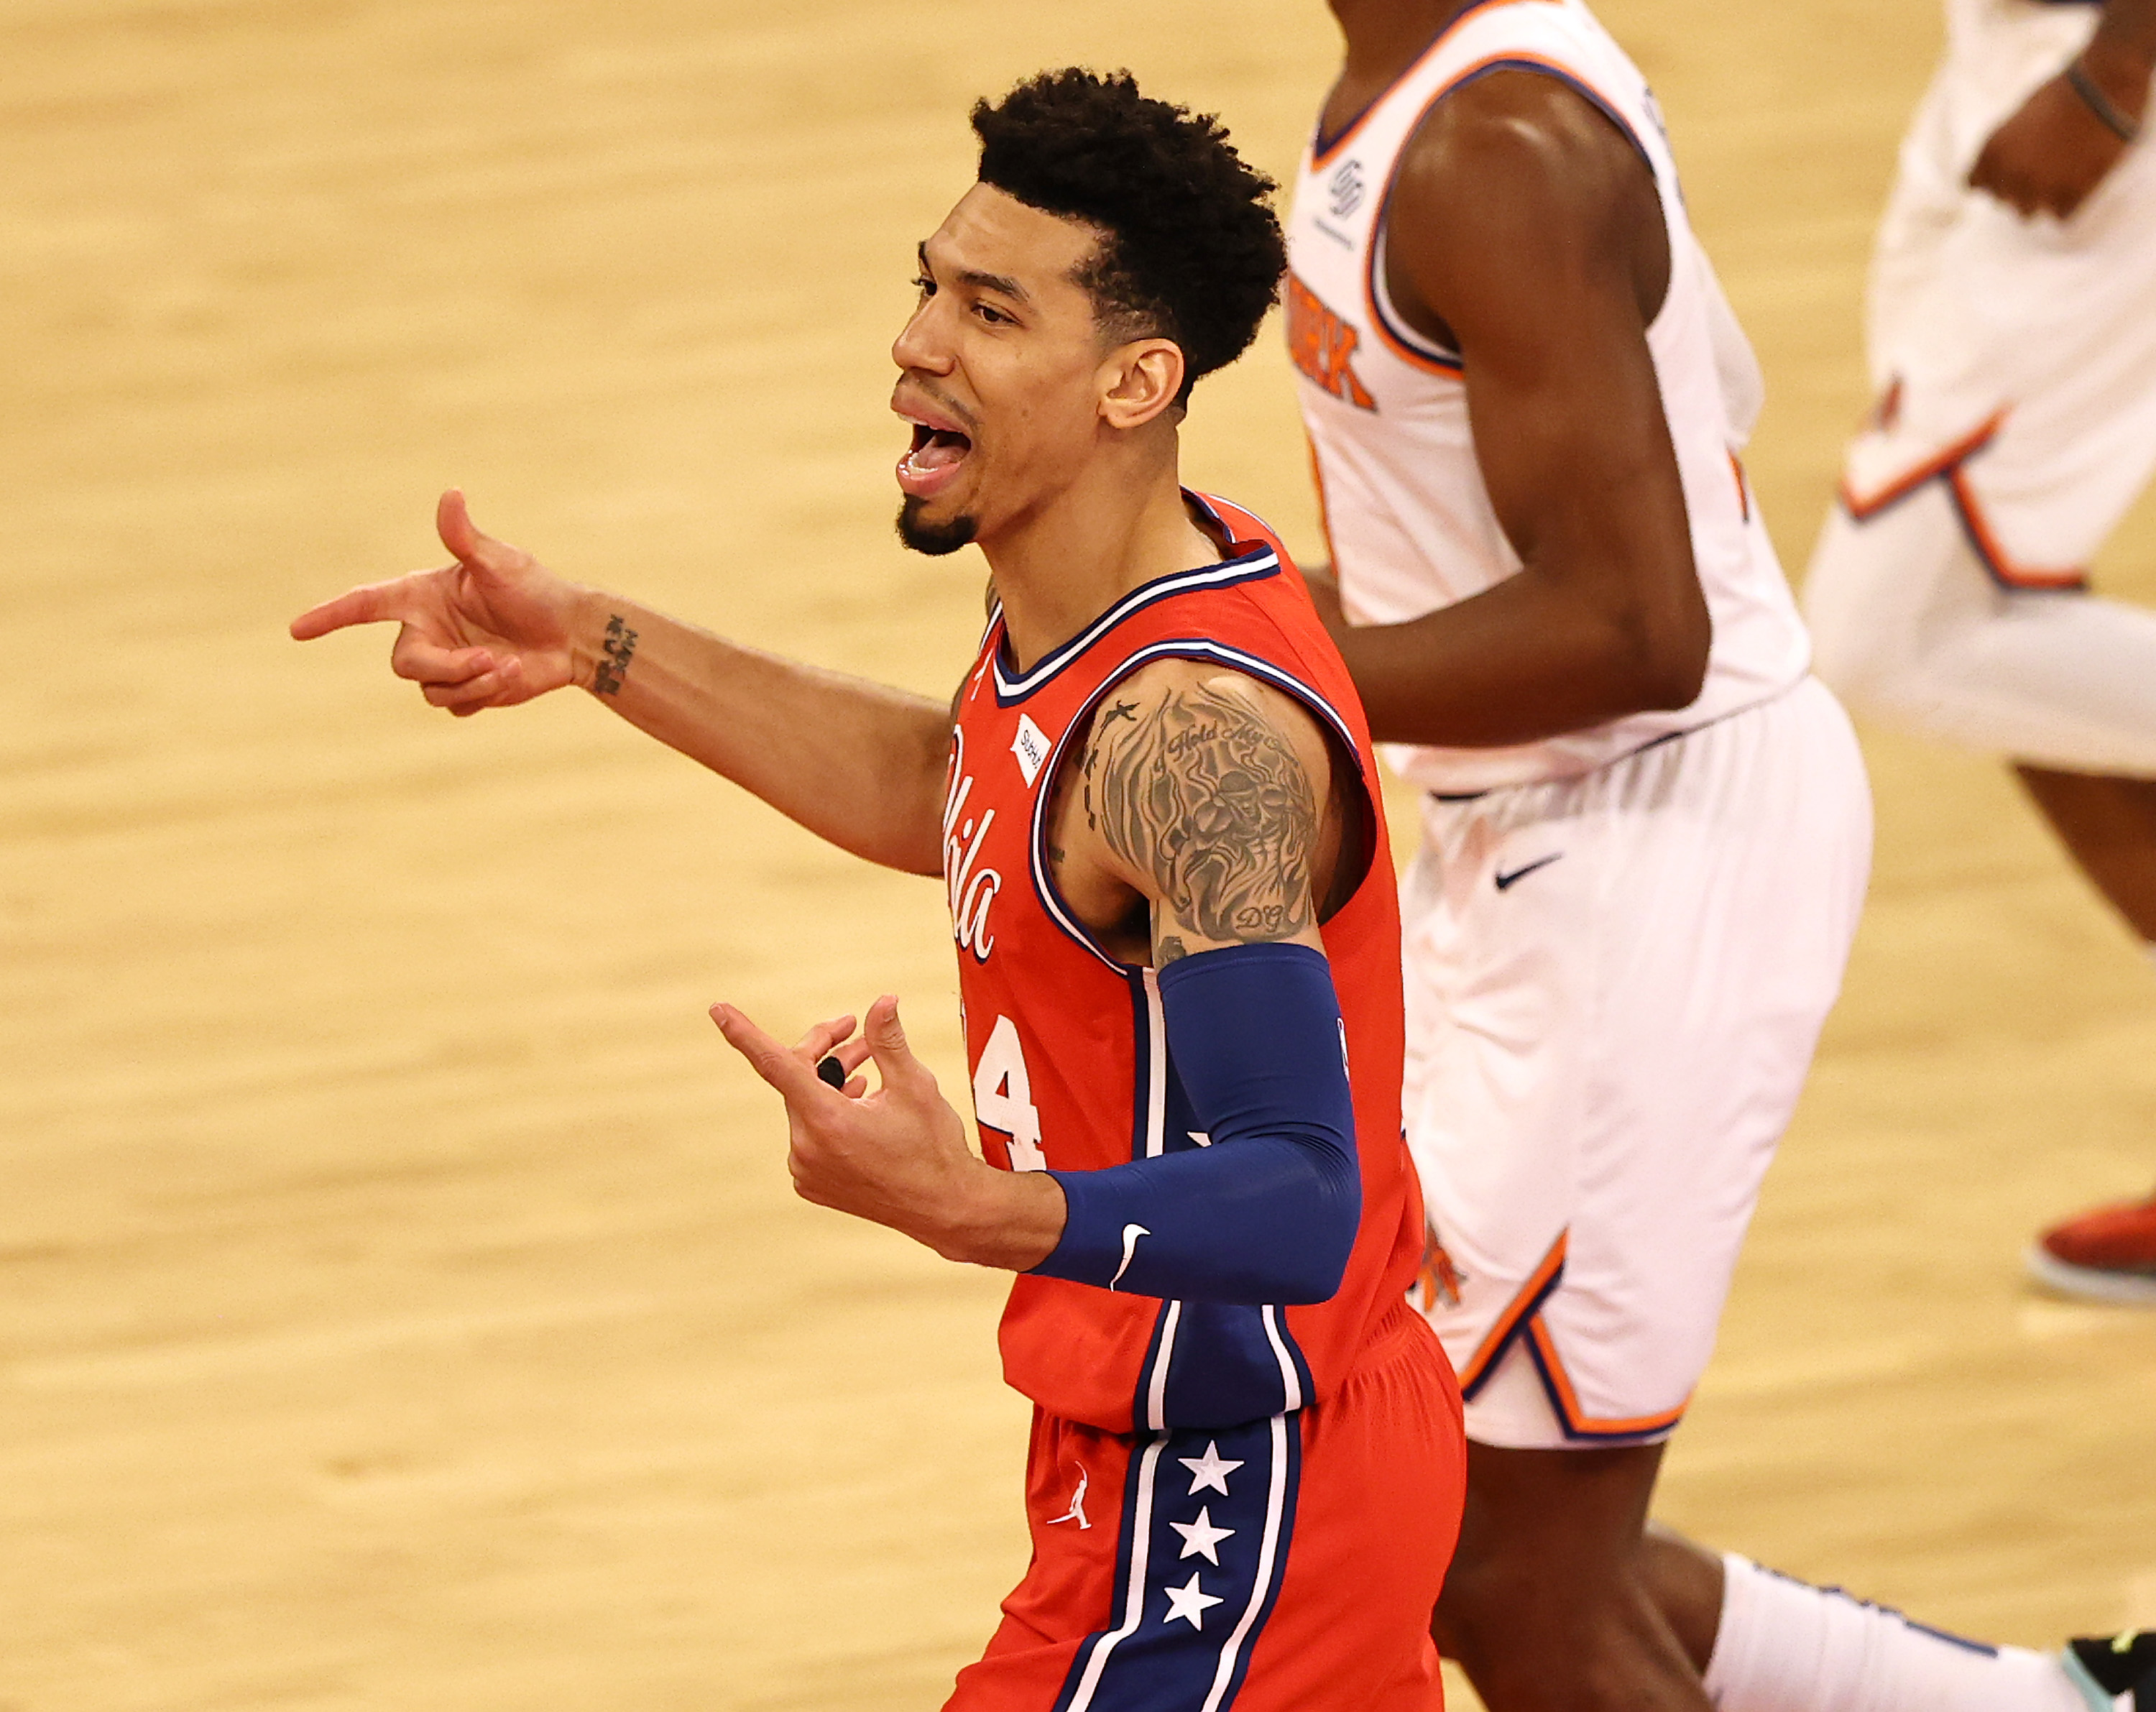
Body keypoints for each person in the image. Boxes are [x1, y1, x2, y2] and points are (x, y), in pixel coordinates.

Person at [291, 68, 1465, 1712]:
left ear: (1137, 378)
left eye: (991, 310)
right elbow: (958, 790)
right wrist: (594, 645)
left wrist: (960, 1201)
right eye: (928, 283)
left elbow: (1298, 1195)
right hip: (1185, 1458)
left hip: (1238, 1502)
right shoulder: (1112, 598)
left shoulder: (1194, 739)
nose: (919, 340)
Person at [1284, 1, 2151, 1708]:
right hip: (1529, 836)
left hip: (1640, 856)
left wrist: (1249, 658)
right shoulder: (1418, 90)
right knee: (1460, 1530)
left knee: (1512, 1573)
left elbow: (1633, 623)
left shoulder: (1494, 152)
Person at [1801, 0, 2156, 1307]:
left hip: (2107, 82)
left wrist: (2122, 56)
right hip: (2001, 69)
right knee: (2015, 608)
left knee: (1899, 633)